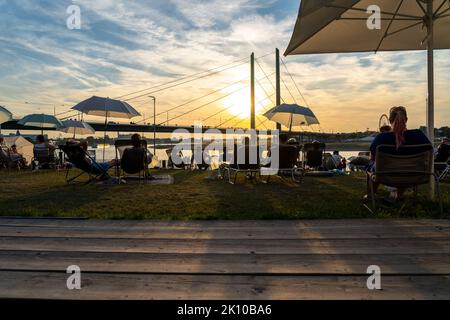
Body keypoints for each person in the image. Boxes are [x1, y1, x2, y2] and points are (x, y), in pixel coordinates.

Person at [366, 106, 431, 200]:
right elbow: (429, 153)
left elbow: (373, 159)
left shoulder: (381, 138)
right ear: (406, 119)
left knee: (372, 165)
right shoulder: (419, 135)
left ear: (390, 120)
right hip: (415, 175)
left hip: (385, 176)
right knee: (405, 166)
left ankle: (370, 195)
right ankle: (399, 195)